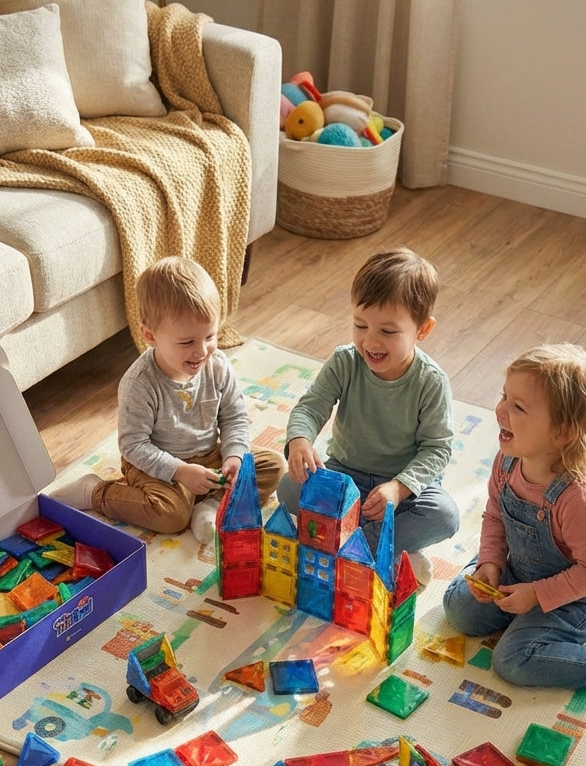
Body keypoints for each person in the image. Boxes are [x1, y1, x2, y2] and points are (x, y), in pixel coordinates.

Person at [50, 256, 285, 544]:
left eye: (210, 336)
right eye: (187, 342)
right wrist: (180, 471)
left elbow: (234, 417)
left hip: (209, 456)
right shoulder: (140, 383)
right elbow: (133, 445)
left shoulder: (218, 365)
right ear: (150, 335)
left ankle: (209, 505)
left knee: (272, 466)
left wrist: (233, 455)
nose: (202, 351)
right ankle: (95, 492)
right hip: (157, 466)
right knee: (171, 516)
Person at [443, 342, 586, 693]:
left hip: (575, 597)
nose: (499, 410)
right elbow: (495, 516)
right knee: (459, 609)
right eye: (503, 396)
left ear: (562, 432)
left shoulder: (580, 499)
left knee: (512, 660)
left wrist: (537, 595)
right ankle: (511, 602)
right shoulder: (507, 461)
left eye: (518, 407)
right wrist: (491, 563)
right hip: (518, 572)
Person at [275, 247, 459, 585]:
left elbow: (437, 448)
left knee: (444, 516)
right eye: (360, 325)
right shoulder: (345, 361)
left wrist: (400, 488)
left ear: (423, 330)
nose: (370, 340)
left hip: (401, 487)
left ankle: (360, 544)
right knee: (288, 486)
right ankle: (386, 549)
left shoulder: (431, 381)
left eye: (387, 332)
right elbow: (312, 405)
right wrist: (299, 440)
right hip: (346, 475)